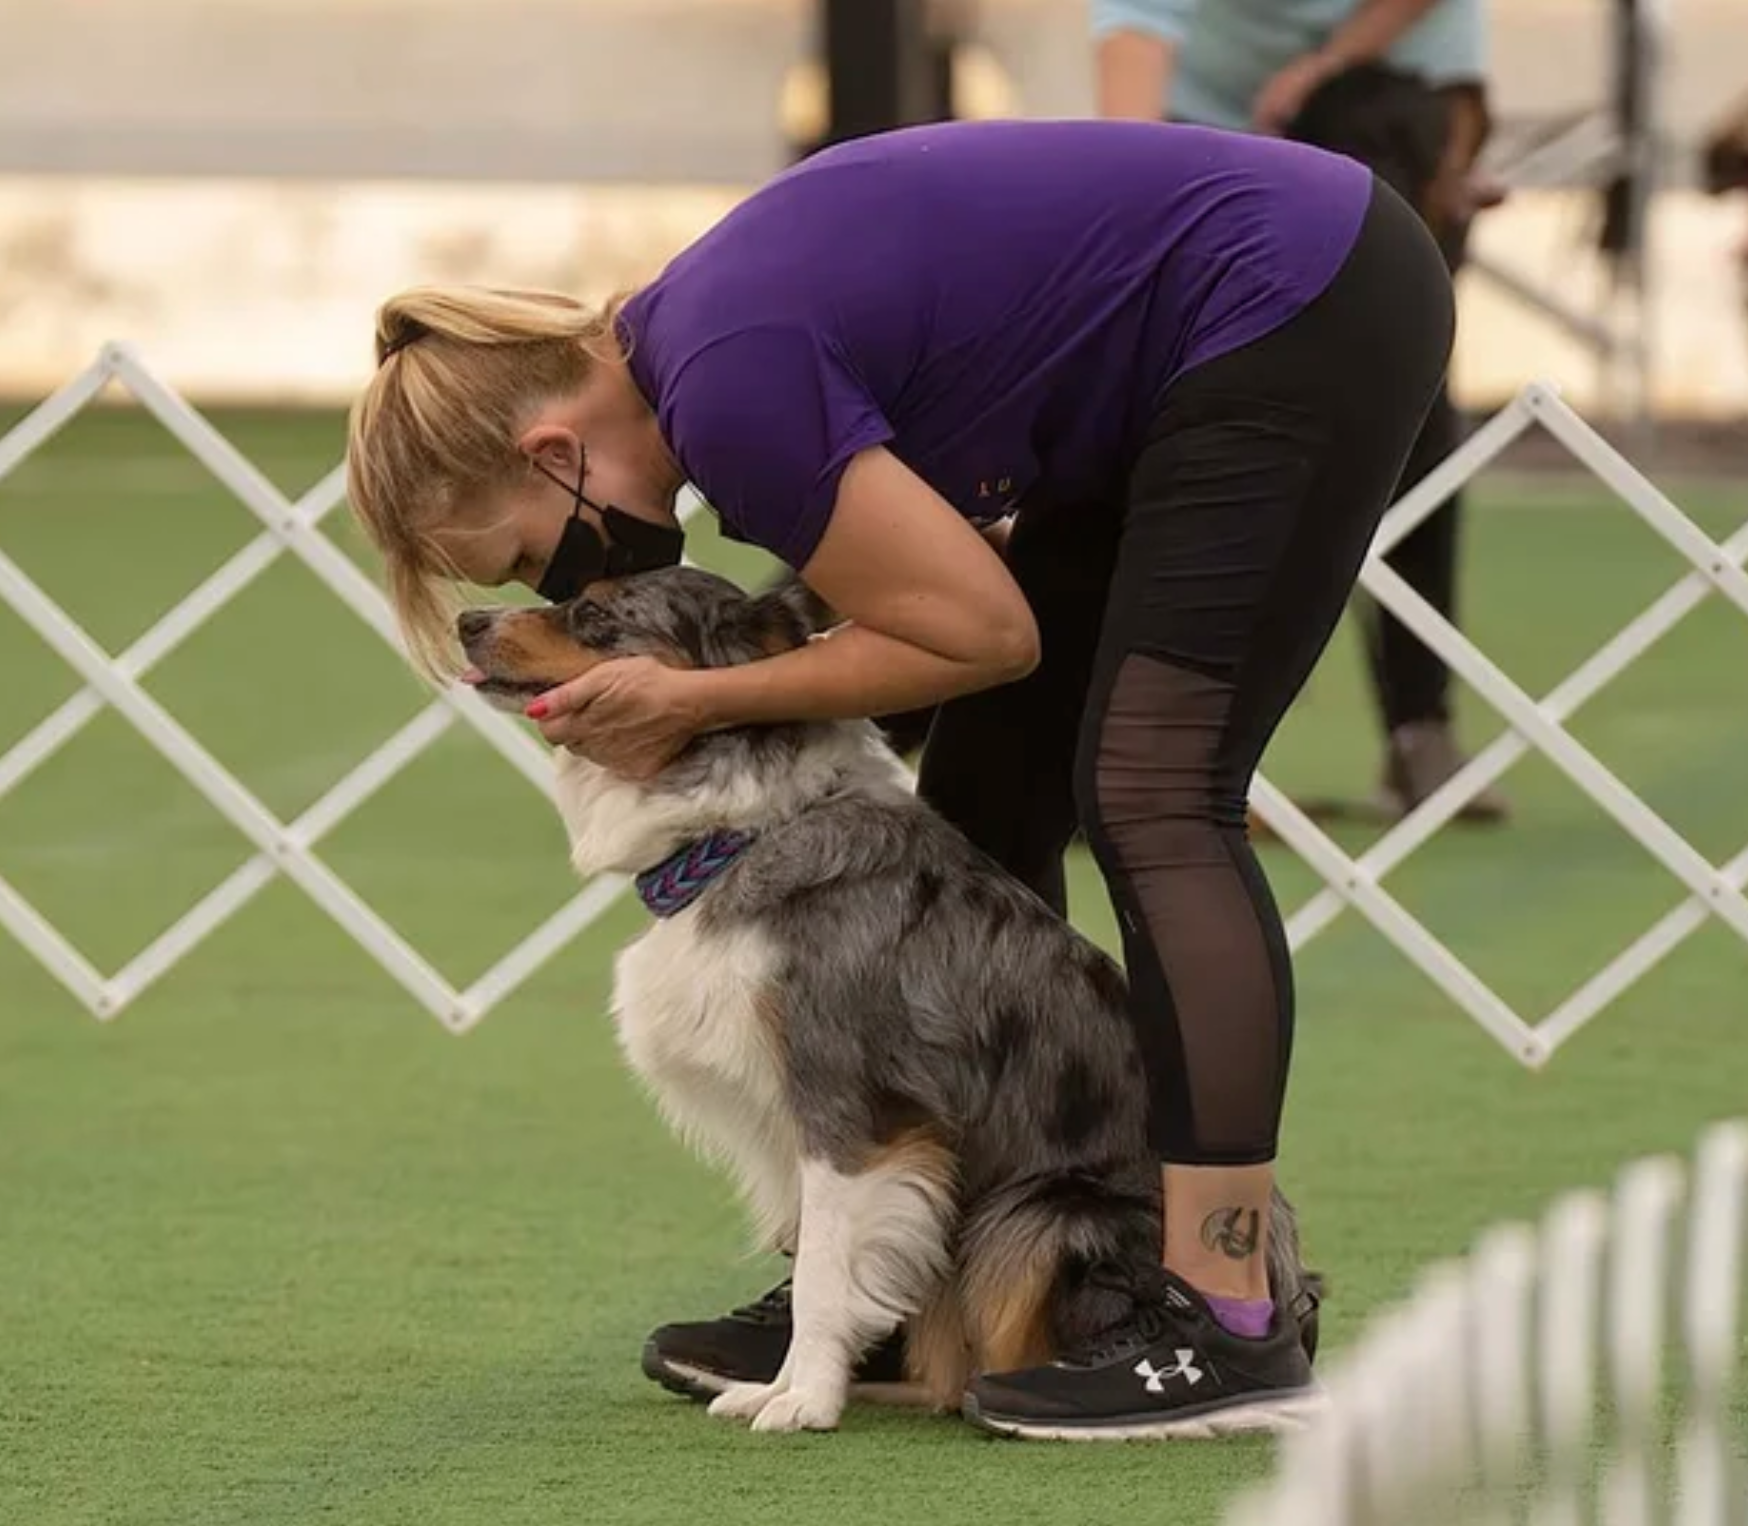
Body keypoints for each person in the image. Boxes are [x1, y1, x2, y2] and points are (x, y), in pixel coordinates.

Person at [345, 118, 1453, 1437]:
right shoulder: (698, 357)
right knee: (987, 798)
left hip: (1290, 297)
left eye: (534, 560)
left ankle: (1223, 1316)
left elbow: (981, 633)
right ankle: (906, 1282)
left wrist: (692, 698)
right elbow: (936, 620)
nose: (574, 587)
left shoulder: (727, 380)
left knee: (1155, 788)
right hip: (1176, 354)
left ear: (548, 456)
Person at [1093, 0, 1510, 823]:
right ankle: (1177, 747)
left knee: (1408, 425)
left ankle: (1418, 727)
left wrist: (1328, 65)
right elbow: (1130, 64)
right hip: (1217, 135)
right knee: (1210, 456)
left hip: (1393, 104)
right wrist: (1136, 194)